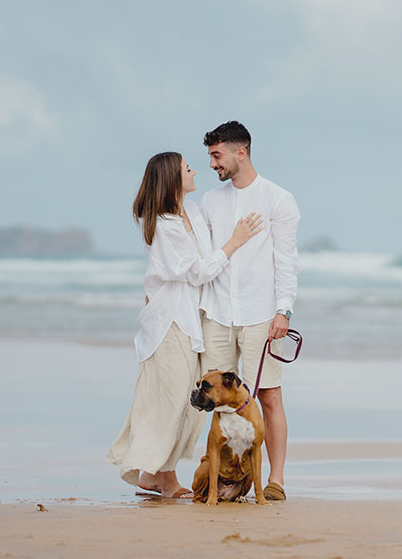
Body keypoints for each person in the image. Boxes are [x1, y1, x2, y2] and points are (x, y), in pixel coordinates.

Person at [107, 151, 262, 498]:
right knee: (175, 399)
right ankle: (161, 476)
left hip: (192, 318)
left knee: (186, 402)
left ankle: (156, 475)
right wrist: (235, 241)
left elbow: (206, 259)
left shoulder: (191, 212)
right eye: (187, 168)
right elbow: (197, 270)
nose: (195, 171)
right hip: (169, 322)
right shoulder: (164, 224)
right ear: (173, 179)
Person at [199, 121, 300, 502]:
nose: (212, 164)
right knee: (214, 400)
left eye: (216, 155)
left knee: (269, 396)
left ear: (240, 152)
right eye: (211, 156)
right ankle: (221, 479)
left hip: (262, 313)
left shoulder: (278, 199)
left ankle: (276, 480)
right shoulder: (210, 201)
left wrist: (283, 310)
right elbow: (208, 258)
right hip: (218, 312)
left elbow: (286, 260)